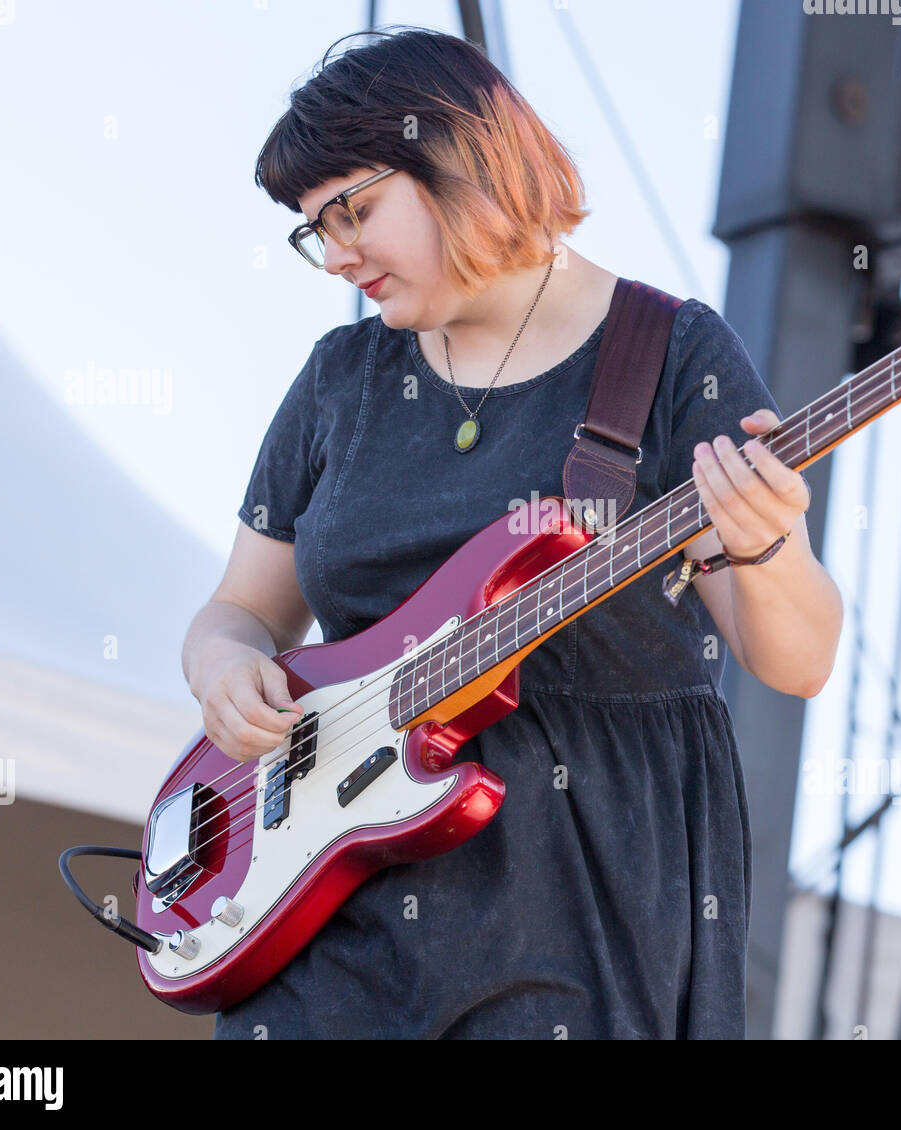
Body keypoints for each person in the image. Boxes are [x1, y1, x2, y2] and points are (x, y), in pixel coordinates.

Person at [183, 25, 842, 1040]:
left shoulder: (669, 354)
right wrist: (225, 665)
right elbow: (239, 609)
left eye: (353, 210)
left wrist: (764, 544)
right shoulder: (338, 380)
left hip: (576, 902)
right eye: (315, 231)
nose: (337, 257)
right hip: (321, 899)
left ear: (460, 155)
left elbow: (794, 658)